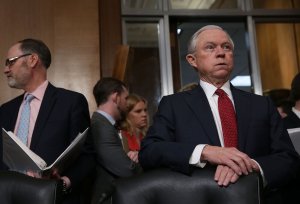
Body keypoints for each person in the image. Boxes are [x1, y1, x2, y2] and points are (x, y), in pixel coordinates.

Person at [139, 25, 300, 204]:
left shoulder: (262, 104)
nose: (221, 53)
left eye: (226, 47)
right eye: (210, 47)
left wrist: (251, 166)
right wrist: (205, 152)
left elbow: (288, 158)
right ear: (192, 60)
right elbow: (149, 152)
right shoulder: (174, 105)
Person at [0, 38, 95, 204]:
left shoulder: (70, 103)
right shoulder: (6, 110)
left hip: (53, 198)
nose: (5, 69)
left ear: (32, 60)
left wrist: (63, 184)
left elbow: (87, 156)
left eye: (10, 62)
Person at [90, 77, 142, 204]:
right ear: (115, 97)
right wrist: (143, 159)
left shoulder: (106, 125)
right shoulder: (101, 126)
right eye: (125, 98)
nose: (126, 104)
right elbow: (126, 169)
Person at [119, 93, 149, 162]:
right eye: (138, 111)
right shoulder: (122, 136)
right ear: (127, 114)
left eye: (145, 110)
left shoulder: (147, 135)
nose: (144, 114)